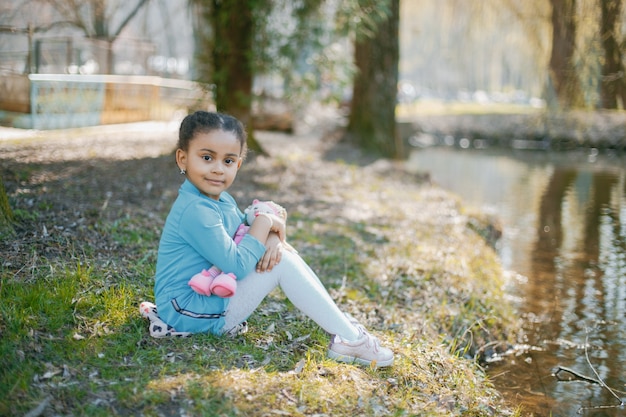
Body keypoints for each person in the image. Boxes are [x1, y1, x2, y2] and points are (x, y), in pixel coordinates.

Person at [149, 110, 394, 368]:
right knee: (282, 263)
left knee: (282, 256)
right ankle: (350, 339)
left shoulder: (218, 199)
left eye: (228, 161)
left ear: (239, 164)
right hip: (187, 310)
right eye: (207, 157)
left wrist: (274, 239)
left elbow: (244, 224)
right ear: (182, 159)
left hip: (203, 297)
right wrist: (266, 223)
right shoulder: (195, 210)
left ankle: (343, 328)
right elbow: (238, 265)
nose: (218, 169)